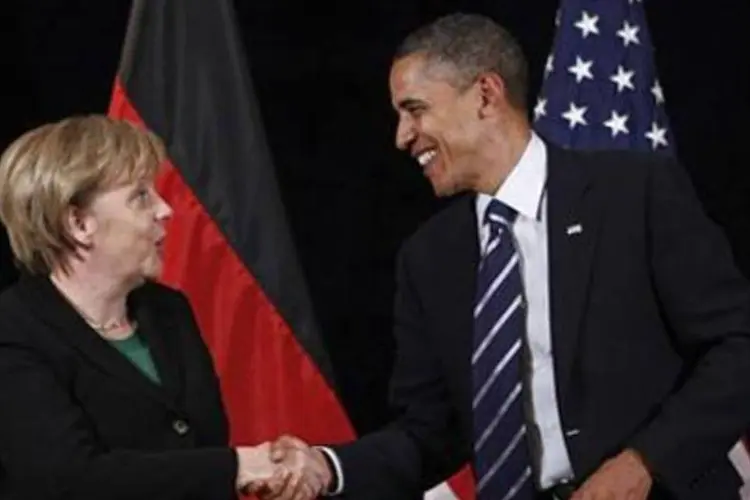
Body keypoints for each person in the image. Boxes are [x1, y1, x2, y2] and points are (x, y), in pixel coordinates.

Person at [268, 12, 750, 500]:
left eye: (415, 110)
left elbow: (738, 345)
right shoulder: (430, 258)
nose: (402, 136)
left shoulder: (633, 195)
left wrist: (644, 463)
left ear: (485, 95)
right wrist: (328, 466)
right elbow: (427, 434)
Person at [0, 115, 297, 499]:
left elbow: (202, 442)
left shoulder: (168, 311)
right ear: (78, 223)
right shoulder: (14, 330)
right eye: (140, 196)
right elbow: (68, 480)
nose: (165, 210)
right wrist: (237, 466)